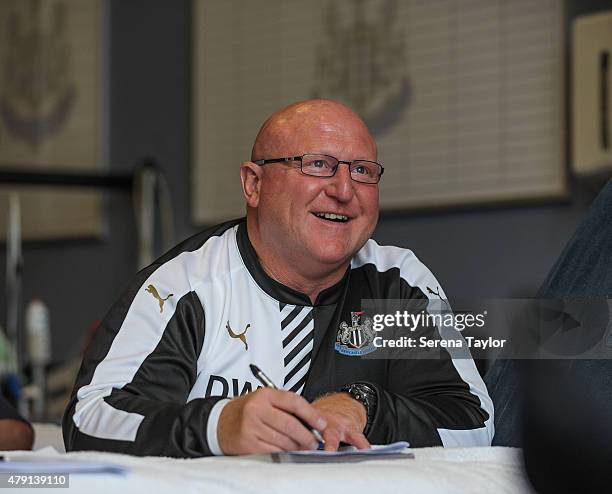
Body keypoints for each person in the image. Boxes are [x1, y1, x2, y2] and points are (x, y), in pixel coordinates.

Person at [63, 99, 493, 457]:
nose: (344, 190)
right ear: (253, 184)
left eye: (362, 170)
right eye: (317, 165)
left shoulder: (399, 285)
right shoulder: (183, 286)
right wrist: (218, 425)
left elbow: (475, 424)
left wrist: (365, 407)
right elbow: (89, 421)